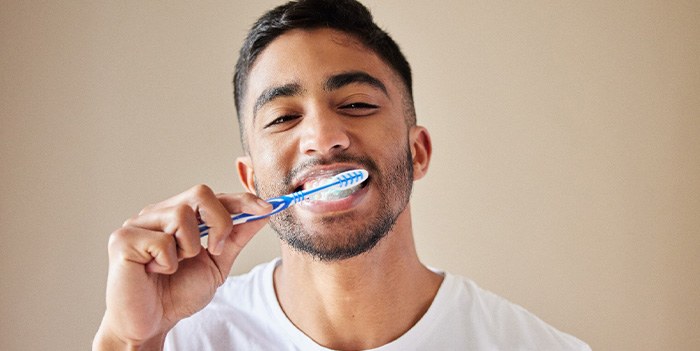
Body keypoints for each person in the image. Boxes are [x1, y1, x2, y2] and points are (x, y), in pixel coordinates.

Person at [93, 0, 591, 350]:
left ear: (417, 152)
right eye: (283, 118)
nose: (322, 137)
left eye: (355, 104)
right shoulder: (178, 339)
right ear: (251, 179)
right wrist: (130, 341)